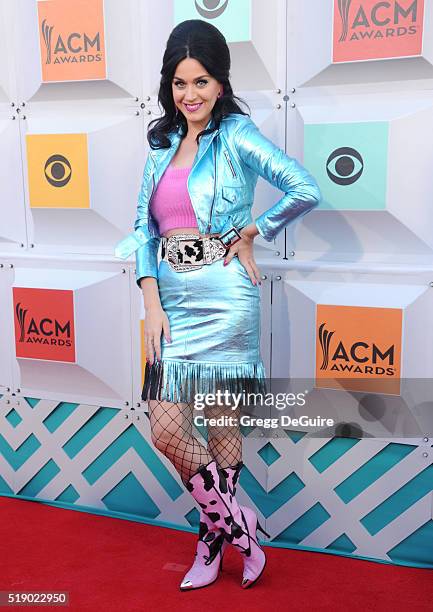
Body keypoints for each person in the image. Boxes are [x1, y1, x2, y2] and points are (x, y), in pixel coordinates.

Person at [115, 19, 321, 591]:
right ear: (168, 87)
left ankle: (212, 541)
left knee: (224, 422)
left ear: (221, 83)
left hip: (227, 298)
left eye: (201, 81)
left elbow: (304, 187)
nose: (191, 95)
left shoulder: (238, 136)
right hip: (171, 305)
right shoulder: (160, 144)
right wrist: (150, 302)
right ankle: (241, 530)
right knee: (167, 429)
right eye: (180, 83)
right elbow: (141, 229)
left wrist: (253, 229)